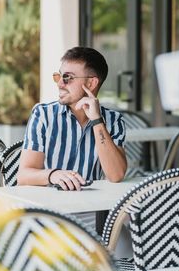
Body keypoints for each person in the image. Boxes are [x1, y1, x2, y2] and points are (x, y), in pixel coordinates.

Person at [17, 46, 127, 190]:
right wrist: (53, 175)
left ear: (91, 83)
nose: (60, 83)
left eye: (68, 77)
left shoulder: (114, 120)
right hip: (48, 209)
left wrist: (96, 120)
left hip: (91, 208)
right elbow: (24, 175)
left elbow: (116, 175)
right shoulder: (43, 115)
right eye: (59, 76)